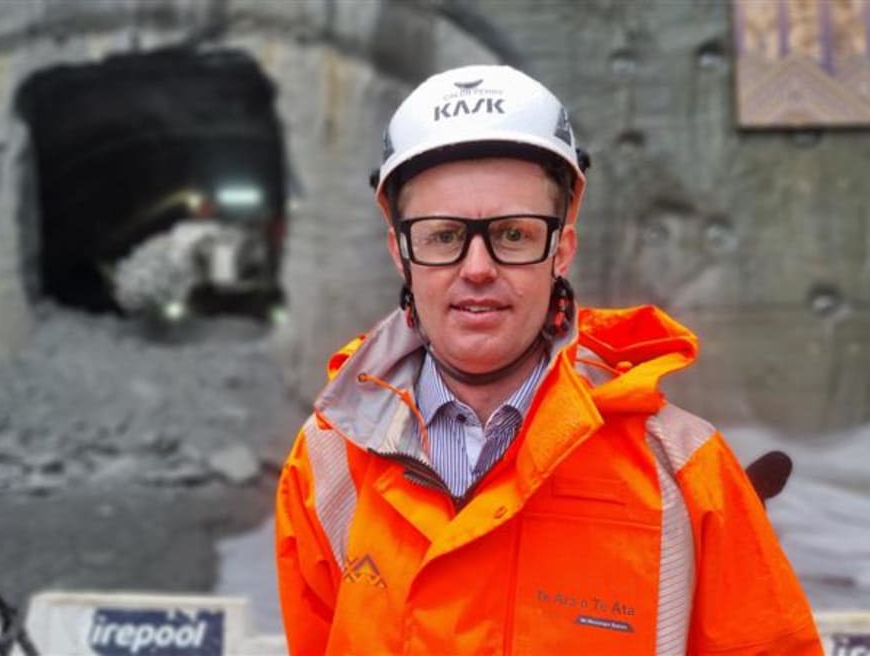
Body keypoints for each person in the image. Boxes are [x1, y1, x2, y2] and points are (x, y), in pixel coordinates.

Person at [275, 65, 822, 655]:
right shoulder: (330, 464)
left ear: (561, 248)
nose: (477, 268)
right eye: (441, 235)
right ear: (401, 254)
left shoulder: (682, 473)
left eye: (512, 234)